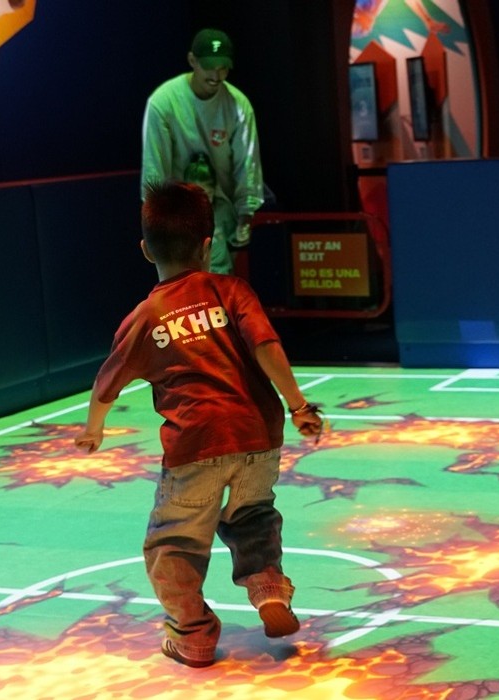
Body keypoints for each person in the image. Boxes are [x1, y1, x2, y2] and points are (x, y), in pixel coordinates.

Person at [74, 180, 323, 667]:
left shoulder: (145, 317)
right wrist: (298, 405)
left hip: (195, 444)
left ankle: (193, 635)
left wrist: (93, 428)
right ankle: (268, 587)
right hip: (258, 437)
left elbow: (106, 383)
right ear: (209, 245)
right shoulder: (232, 291)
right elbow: (266, 347)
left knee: (173, 544)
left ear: (146, 250)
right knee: (252, 515)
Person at [142, 28, 264, 275]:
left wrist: (244, 220)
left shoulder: (238, 106)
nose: (216, 75)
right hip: (176, 217)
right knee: (179, 292)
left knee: (218, 289)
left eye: (223, 67)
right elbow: (154, 173)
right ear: (192, 61)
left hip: (221, 214)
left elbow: (247, 170)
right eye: (209, 66)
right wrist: (159, 227)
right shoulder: (163, 103)